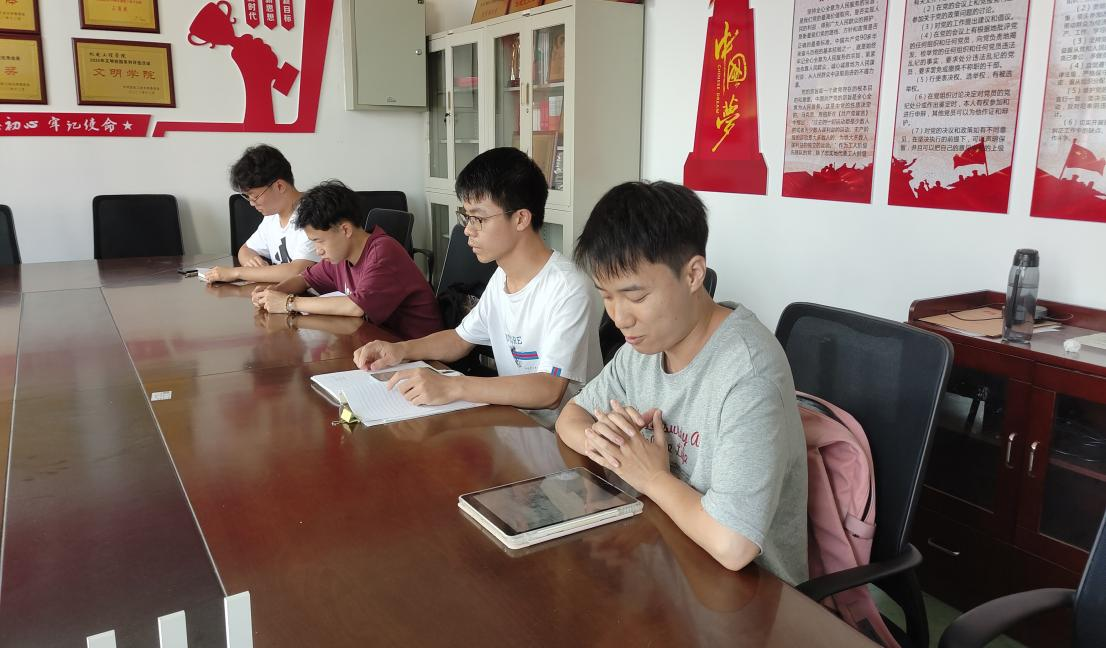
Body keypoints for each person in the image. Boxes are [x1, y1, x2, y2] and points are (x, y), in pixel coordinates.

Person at [554, 181, 808, 584]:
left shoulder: (749, 373)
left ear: (693, 274)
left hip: (750, 592)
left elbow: (734, 546)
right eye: (607, 296)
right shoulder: (645, 346)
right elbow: (571, 417)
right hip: (661, 553)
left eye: (636, 297)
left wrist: (651, 477)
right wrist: (605, 444)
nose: (619, 318)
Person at [353, 147, 601, 428]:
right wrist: (400, 350)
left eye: (478, 219)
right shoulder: (502, 277)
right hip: (512, 422)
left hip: (557, 436)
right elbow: (460, 340)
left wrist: (453, 386)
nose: (468, 230)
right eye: (467, 217)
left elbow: (549, 390)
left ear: (521, 218)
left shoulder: (567, 287)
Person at [252, 180, 441, 340]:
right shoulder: (340, 256)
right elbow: (305, 278)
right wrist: (273, 293)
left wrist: (288, 302)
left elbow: (356, 307)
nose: (318, 251)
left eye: (319, 241)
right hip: (381, 343)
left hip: (421, 354)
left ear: (345, 230)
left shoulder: (382, 254)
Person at [204, 144, 319, 284]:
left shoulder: (313, 212)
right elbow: (245, 249)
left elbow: (297, 271)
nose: (252, 204)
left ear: (279, 186)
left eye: (254, 196)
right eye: (247, 197)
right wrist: (253, 263)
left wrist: (237, 273)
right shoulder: (272, 217)